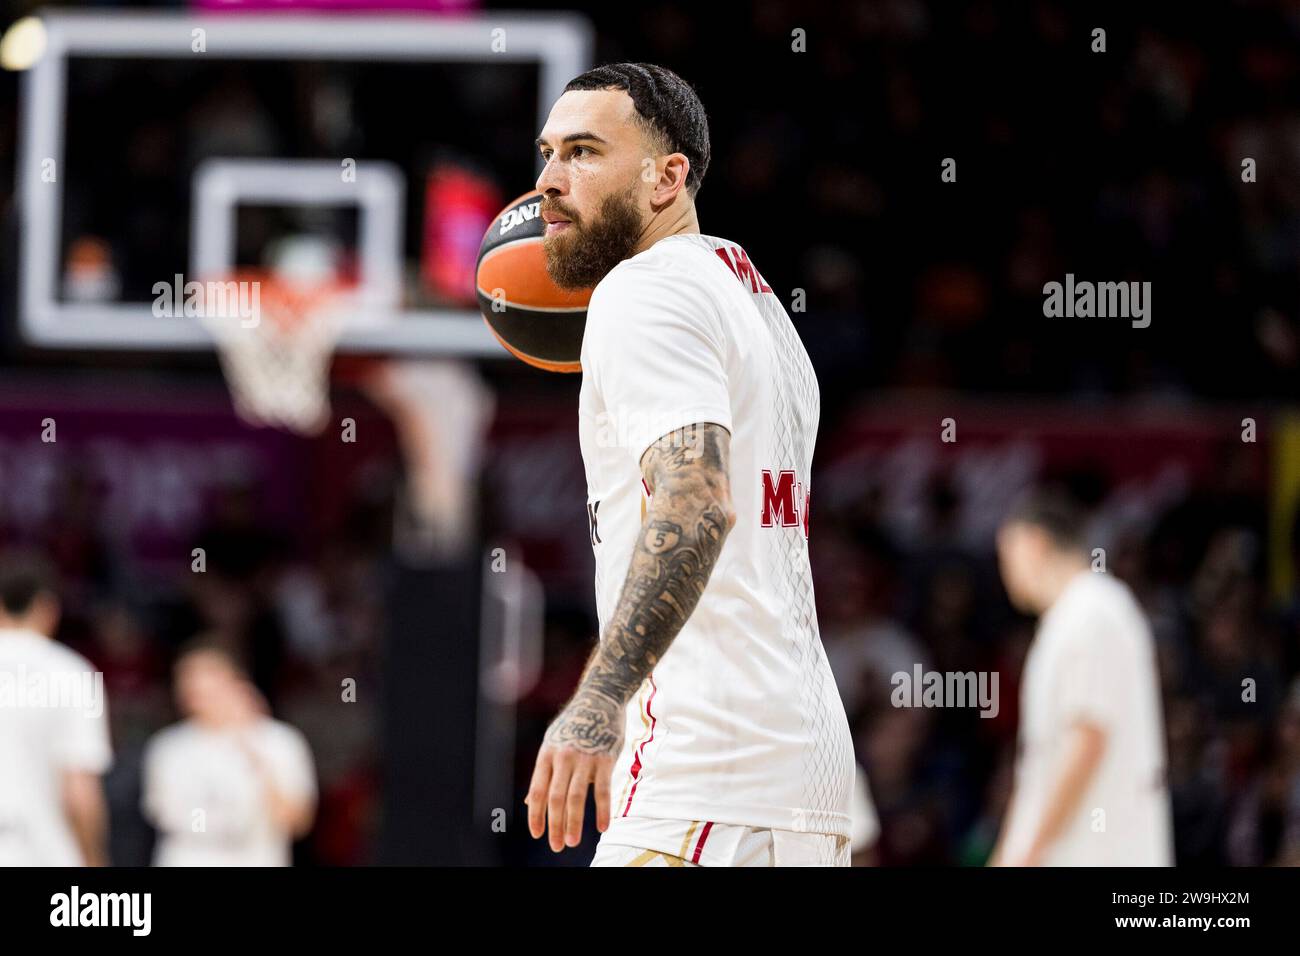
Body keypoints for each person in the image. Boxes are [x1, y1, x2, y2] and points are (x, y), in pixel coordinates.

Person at [524, 63, 855, 866]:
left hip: (708, 766)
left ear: (668, 177)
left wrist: (600, 697)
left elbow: (698, 501)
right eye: (547, 153)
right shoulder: (749, 292)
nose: (547, 182)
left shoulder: (643, 291)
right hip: (794, 767)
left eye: (583, 152)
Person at [990, 488, 1173, 866]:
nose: (1004, 572)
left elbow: (1087, 738)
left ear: (1033, 544)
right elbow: (1042, 762)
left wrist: (1030, 851)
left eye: (1005, 555)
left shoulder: (1092, 611)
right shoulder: (1068, 618)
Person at [142, 641, 316, 866]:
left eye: (212, 688)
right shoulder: (168, 747)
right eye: (194, 691)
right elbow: (170, 816)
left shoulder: (279, 742)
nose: (204, 699)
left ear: (238, 684)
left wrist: (250, 746)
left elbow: (296, 821)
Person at [0, 552, 112, 866]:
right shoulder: (73, 673)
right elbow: (79, 789)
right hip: (44, 852)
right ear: (48, 609)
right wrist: (95, 858)